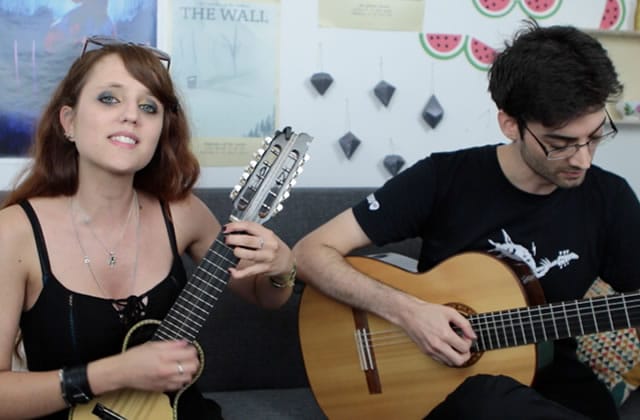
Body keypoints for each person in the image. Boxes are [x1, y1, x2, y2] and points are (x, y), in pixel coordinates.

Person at [293, 21, 640, 420]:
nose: (583, 159)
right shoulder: (443, 178)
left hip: (553, 383)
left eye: (594, 137)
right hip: (442, 390)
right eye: (560, 144)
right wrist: (408, 312)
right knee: (486, 399)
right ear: (510, 124)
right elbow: (308, 254)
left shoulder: (610, 198)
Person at [0, 36, 297, 419]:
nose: (131, 115)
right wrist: (111, 373)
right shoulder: (14, 233)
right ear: (68, 122)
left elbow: (263, 295)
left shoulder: (182, 213)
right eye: (109, 98)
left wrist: (283, 268)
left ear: (160, 130)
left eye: (148, 106)